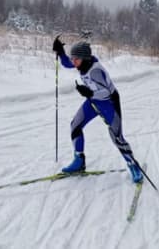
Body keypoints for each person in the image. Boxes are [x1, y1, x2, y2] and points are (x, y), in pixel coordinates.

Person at [52, 38, 143, 183]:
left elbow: (106, 92)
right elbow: (67, 63)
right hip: (93, 101)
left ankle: (133, 166)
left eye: (76, 59)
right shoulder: (82, 62)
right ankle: (79, 161)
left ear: (84, 58)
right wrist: (60, 52)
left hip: (109, 103)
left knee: (116, 137)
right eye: (73, 58)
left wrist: (89, 93)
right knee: (75, 126)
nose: (73, 61)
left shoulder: (95, 70)